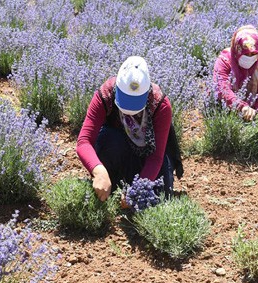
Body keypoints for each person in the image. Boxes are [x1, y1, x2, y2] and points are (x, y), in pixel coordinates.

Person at [76, 56, 183, 203]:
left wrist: (137, 189)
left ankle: (126, 189)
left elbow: (155, 158)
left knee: (159, 196)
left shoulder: (160, 105)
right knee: (109, 139)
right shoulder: (105, 95)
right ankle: (112, 183)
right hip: (119, 150)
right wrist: (99, 171)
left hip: (147, 157)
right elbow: (84, 141)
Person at [213, 25, 258, 121]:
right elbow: (222, 86)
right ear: (237, 48)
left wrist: (255, 112)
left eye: (253, 54)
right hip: (222, 107)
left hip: (251, 111)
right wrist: (241, 106)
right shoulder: (225, 60)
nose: (249, 57)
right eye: (245, 53)